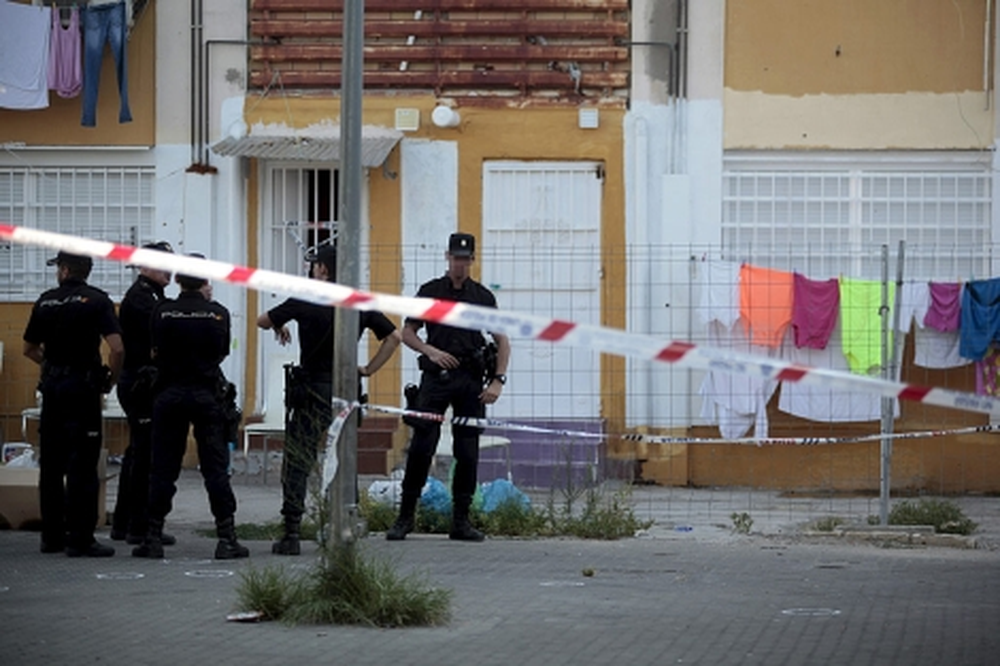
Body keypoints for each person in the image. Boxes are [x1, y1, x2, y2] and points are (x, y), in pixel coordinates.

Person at [257, 244, 401, 555]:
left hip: (312, 391)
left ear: (323, 269)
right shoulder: (359, 302)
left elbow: (262, 320)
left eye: (314, 265)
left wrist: (281, 323)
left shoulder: (305, 297)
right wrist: (369, 369)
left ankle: (292, 531)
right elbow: (394, 337)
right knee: (344, 458)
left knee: (299, 459)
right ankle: (345, 523)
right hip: (347, 390)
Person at [387, 232, 510, 542]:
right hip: (436, 378)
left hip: (470, 379)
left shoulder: (481, 296)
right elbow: (408, 332)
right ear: (447, 257)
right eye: (456, 258)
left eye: (465, 259)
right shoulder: (431, 292)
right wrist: (431, 351)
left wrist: (498, 380)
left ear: (472, 260)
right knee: (421, 447)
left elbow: (502, 340)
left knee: (467, 451)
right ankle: (405, 517)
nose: (460, 264)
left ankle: (461, 521)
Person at [132, 257, 249, 560]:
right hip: (207, 396)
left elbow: (155, 350)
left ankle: (153, 537)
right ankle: (227, 538)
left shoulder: (162, 310)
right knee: (215, 470)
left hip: (169, 395)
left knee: (162, 469)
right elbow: (221, 353)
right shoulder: (219, 314)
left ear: (179, 279)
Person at [23, 251, 124, 557]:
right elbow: (118, 348)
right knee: (83, 463)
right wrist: (110, 379)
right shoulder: (97, 300)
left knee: (51, 465)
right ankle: (80, 538)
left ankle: (51, 537)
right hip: (83, 390)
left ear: (64, 270)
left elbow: (28, 348)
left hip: (53, 390)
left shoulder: (46, 300)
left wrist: (51, 365)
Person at [110, 241, 176, 546]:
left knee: (138, 453)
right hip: (140, 383)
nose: (170, 270)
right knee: (145, 456)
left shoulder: (153, 295)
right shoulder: (142, 298)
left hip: (142, 382)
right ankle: (139, 525)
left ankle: (125, 523)